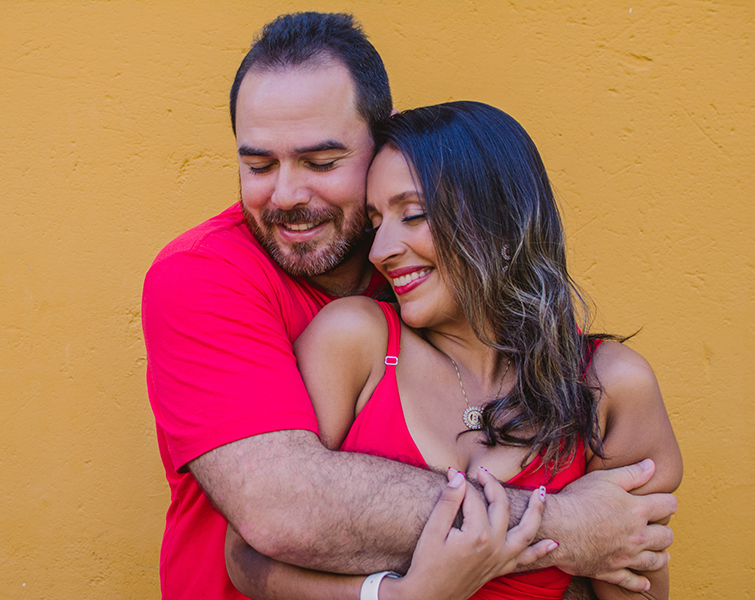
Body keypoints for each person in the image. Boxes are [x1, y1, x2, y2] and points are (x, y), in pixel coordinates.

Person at [142, 12, 677, 600]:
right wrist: (565, 525)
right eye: (259, 165)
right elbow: (277, 513)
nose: (287, 194)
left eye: (321, 162)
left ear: (381, 142)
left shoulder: (464, 297)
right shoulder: (207, 276)